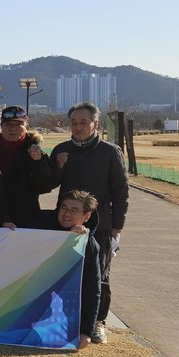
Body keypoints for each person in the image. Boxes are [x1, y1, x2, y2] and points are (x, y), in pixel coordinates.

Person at [50, 102, 129, 344]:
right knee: (64, 273)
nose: (78, 127)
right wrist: (57, 167)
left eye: (83, 122)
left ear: (95, 124)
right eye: (74, 122)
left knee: (100, 276)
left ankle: (97, 322)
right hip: (66, 225)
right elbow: (48, 184)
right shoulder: (61, 150)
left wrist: (117, 226)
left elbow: (121, 191)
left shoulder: (110, 152)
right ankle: (65, 318)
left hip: (100, 226)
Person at [32, 190, 102, 349]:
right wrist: (65, 239)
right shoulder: (39, 222)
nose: (67, 213)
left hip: (61, 302)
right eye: (64, 208)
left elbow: (92, 289)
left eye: (74, 210)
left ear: (87, 216)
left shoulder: (89, 245)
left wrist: (86, 331)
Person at [0, 105, 55, 228]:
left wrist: (38, 163)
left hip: (25, 220)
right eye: (8, 124)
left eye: (19, 124)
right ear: (1, 126)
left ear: (26, 127)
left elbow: (45, 187)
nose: (13, 128)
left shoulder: (36, 154)